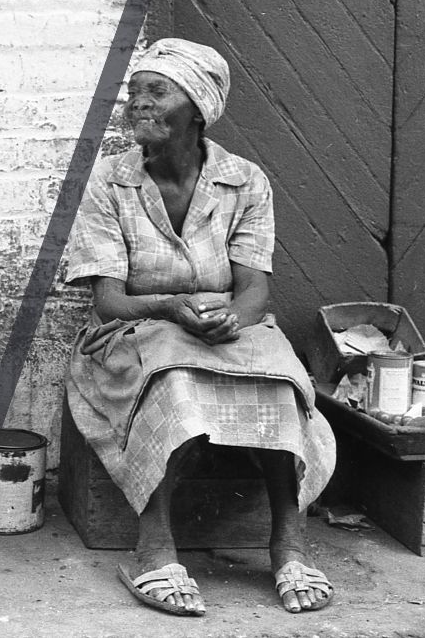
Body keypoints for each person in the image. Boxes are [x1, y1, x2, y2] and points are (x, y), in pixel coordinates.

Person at [64, 38, 335, 616]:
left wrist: (234, 317)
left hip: (222, 323)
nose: (137, 103)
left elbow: (254, 287)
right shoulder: (110, 181)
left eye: (155, 91)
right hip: (135, 326)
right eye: (133, 92)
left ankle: (288, 543)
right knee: (173, 381)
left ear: (197, 107)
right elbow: (110, 301)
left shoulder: (245, 180)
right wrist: (171, 307)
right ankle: (155, 546)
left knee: (283, 380)